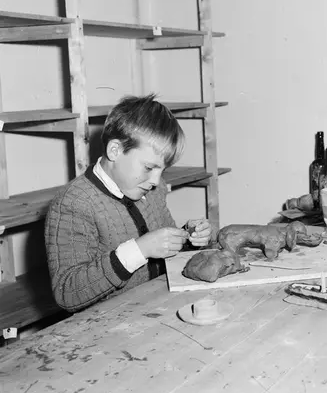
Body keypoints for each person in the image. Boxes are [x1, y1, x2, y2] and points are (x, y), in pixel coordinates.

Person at [45, 94, 212, 313]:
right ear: (115, 150)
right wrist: (140, 250)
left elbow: (163, 249)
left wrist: (189, 239)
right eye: (149, 168)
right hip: (105, 323)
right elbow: (67, 293)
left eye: (162, 170)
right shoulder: (73, 204)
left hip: (155, 308)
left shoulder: (152, 189)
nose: (156, 181)